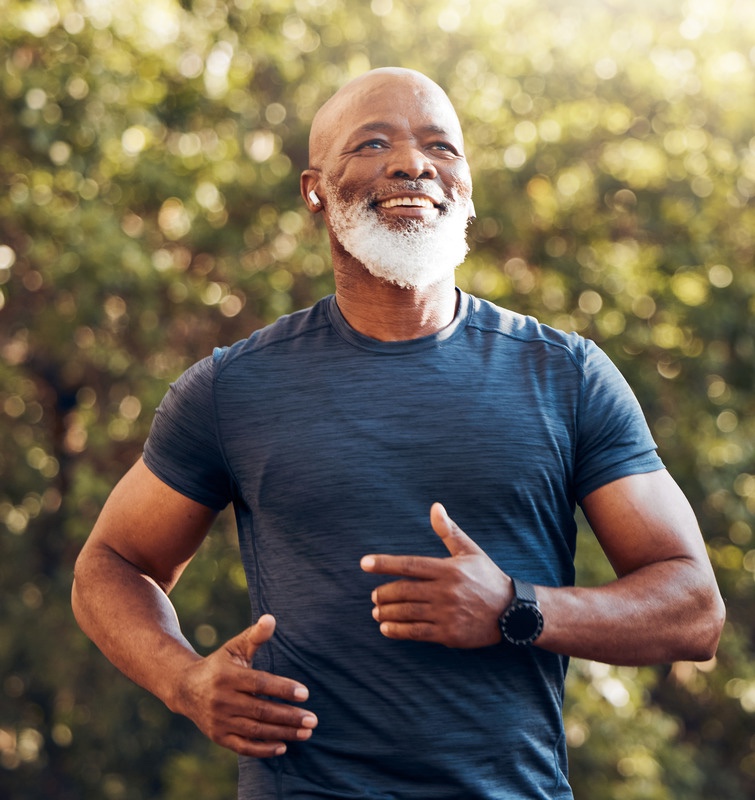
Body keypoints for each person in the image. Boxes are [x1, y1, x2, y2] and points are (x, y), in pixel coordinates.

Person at [72, 67, 725, 799]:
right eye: (372, 143)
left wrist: (516, 607)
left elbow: (693, 610)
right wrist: (182, 680)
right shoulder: (234, 387)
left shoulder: (565, 376)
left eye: (440, 147)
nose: (412, 163)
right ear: (314, 188)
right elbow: (112, 562)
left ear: (465, 184)